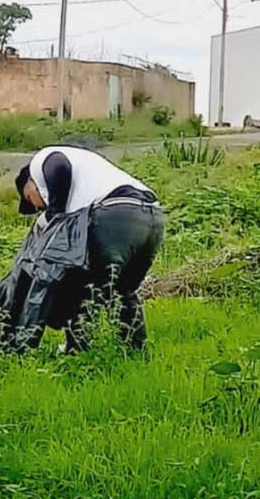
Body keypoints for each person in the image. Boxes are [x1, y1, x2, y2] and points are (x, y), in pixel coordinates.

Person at [14, 145, 165, 352]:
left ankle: (77, 349)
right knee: (124, 290)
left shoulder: (44, 159)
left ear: (31, 183)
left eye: (30, 200)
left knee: (79, 281)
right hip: (153, 218)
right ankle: (136, 350)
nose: (38, 208)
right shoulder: (89, 170)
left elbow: (59, 166)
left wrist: (53, 213)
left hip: (115, 214)